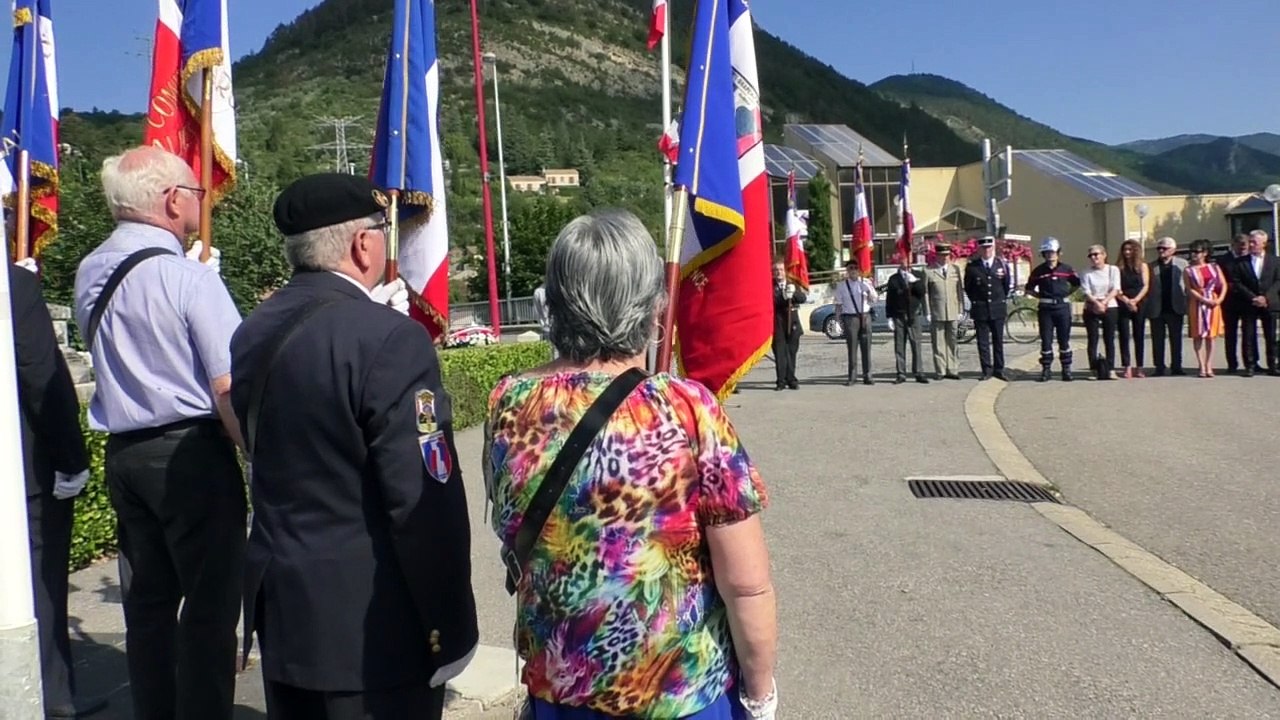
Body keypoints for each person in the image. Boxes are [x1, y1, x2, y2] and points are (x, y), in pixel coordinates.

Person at [484, 209, 778, 719]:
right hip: (680, 697)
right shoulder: (688, 408)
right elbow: (745, 583)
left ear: (555, 300)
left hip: (559, 695)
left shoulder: (510, 401)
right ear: (651, 304)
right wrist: (760, 694)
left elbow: (509, 523)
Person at [230, 173, 478, 719]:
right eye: (383, 231)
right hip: (373, 635)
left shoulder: (252, 331)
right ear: (363, 244)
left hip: (288, 620)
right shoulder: (390, 338)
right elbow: (422, 502)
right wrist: (450, 627)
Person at [72, 146, 244, 720]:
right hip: (191, 453)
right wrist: (254, 454)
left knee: (147, 607)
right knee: (210, 609)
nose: (200, 201)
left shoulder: (90, 270)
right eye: (195, 192)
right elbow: (228, 386)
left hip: (125, 452)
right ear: (172, 200)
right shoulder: (187, 278)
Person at [11, 260, 108, 719]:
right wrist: (71, 459)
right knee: (39, 581)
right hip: (18, 470)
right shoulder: (12, 284)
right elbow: (40, 374)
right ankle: (51, 694)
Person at [1025, 236, 1081, 382]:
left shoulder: (1066, 269)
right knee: (1046, 340)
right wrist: (1041, 296)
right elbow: (1029, 288)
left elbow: (1076, 284)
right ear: (1043, 254)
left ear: (1058, 253)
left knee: (1064, 340)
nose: (1050, 255)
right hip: (1046, 309)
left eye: (1053, 252)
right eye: (1047, 253)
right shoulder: (1038, 271)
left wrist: (1067, 294)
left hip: (1062, 308)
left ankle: (1066, 369)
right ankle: (1046, 369)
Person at [1228, 229, 1280, 377]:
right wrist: (1253, 298)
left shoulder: (1275, 261)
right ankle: (1250, 365)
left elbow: (1278, 281)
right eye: (1250, 242)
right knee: (1248, 336)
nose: (1250, 245)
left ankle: (1273, 365)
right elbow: (1237, 282)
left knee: (1271, 335)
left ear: (1264, 244)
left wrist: (1266, 298)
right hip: (1248, 303)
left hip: (1269, 303)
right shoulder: (1239, 262)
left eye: (1254, 242)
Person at [963, 236, 1013, 381]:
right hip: (981, 309)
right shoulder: (972, 267)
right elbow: (969, 288)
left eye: (989, 247)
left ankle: (999, 369)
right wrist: (977, 301)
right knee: (983, 342)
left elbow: (1006, 286)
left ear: (993, 248)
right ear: (979, 249)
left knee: (998, 341)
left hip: (997, 308)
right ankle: (986, 370)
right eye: (983, 248)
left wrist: (999, 300)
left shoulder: (1001, 264)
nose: (987, 250)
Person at [1185, 239, 1229, 378]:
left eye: (1196, 251)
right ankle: (1201, 365)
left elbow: (1223, 284)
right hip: (1197, 303)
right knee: (1197, 335)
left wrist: (1219, 299)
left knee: (1211, 335)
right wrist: (1203, 299)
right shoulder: (1188, 270)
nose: (1193, 254)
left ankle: (1209, 364)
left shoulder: (1214, 267)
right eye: (1192, 251)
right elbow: (1189, 289)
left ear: (1205, 253)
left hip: (1213, 302)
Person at [1145, 236, 1188, 376]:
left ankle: (1176, 366)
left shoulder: (1182, 264)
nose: (1161, 251)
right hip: (1156, 307)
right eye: (1159, 248)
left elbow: (1188, 285)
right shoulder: (1150, 266)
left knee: (1176, 339)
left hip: (1175, 307)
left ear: (1173, 250)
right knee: (1157, 340)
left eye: (1165, 248)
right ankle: (1159, 366)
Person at [885, 252, 929, 384]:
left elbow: (922, 292)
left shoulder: (918, 275)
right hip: (899, 315)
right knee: (899, 346)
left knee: (916, 344)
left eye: (908, 258)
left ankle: (919, 372)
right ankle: (901, 373)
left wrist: (914, 281)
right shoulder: (894, 278)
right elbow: (890, 299)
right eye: (903, 259)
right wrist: (889, 316)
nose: (906, 261)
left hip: (913, 314)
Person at [832, 259, 877, 385]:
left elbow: (874, 299)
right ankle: (852, 376)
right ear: (847, 270)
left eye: (855, 268)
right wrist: (837, 321)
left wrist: (869, 289)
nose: (853, 270)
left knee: (866, 346)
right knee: (852, 347)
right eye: (850, 268)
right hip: (850, 318)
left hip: (865, 316)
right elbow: (838, 304)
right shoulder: (842, 286)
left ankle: (868, 375)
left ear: (859, 269)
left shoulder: (865, 282)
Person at [1079, 244, 1120, 380]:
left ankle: (1111, 369)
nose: (1094, 257)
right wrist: (1097, 303)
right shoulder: (1086, 272)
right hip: (1092, 306)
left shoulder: (1113, 270)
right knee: (1093, 338)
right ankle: (1093, 369)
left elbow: (1116, 288)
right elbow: (1086, 291)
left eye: (1096, 254)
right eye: (1091, 255)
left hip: (1110, 305)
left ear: (1104, 255)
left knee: (1109, 338)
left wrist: (1104, 302)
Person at [924, 244, 963, 380]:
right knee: (938, 342)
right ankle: (940, 370)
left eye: (947, 255)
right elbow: (926, 293)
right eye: (942, 255)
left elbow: (959, 290)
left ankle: (953, 369)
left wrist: (961, 309)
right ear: (937, 256)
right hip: (937, 311)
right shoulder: (929, 271)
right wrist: (928, 312)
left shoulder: (955, 269)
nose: (945, 258)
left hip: (953, 311)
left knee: (952, 341)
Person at [1216, 234, 1254, 373]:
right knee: (1230, 334)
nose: (1243, 248)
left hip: (1248, 301)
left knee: (1249, 334)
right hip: (1229, 302)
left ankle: (1250, 363)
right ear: (1233, 244)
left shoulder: (1251, 258)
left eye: (1245, 245)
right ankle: (1232, 364)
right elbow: (1220, 281)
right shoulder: (1223, 260)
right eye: (1240, 245)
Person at [1115, 239, 1150, 378]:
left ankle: (1139, 367)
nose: (1127, 252)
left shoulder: (1142, 266)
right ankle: (1127, 366)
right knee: (1124, 335)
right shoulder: (1118, 268)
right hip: (1123, 301)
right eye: (1125, 250)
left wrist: (1135, 300)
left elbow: (1145, 285)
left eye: (1130, 250)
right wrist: (1127, 301)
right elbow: (1116, 288)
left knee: (1139, 334)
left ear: (1136, 251)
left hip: (1139, 301)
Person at [771, 259, 805, 390]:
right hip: (778, 323)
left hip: (793, 323)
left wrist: (793, 293)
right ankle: (781, 381)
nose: (778, 272)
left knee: (791, 353)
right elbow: (772, 301)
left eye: (780, 270)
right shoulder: (770, 286)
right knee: (780, 353)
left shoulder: (792, 283)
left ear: (785, 271)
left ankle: (791, 379)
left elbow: (802, 298)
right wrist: (784, 297)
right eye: (776, 270)